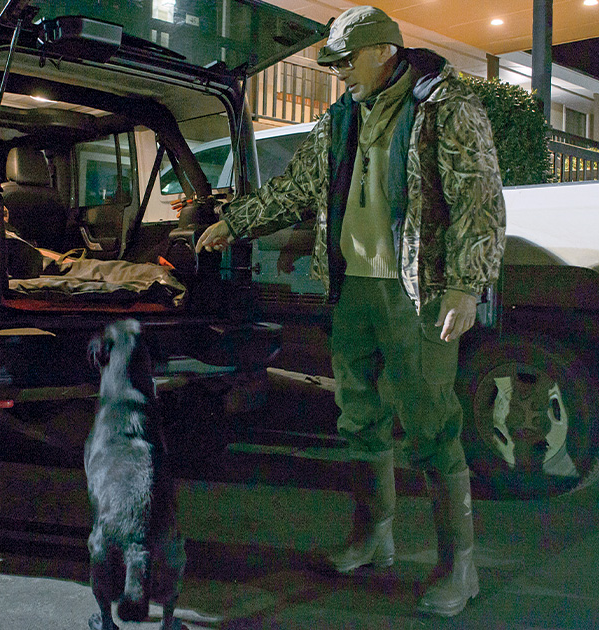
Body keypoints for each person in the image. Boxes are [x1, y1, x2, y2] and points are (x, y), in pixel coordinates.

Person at [195, 6, 506, 618]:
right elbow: (297, 189)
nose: (338, 72)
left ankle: (459, 566)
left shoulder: (445, 107)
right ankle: (373, 537)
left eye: (346, 60)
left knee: (431, 426)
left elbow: (479, 200)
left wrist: (466, 287)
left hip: (416, 293)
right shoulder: (342, 117)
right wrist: (234, 223)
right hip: (354, 290)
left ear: (384, 51)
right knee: (359, 418)